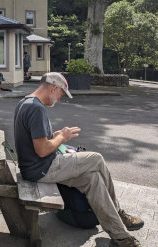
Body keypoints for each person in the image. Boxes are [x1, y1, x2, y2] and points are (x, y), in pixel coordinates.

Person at [13, 73, 144, 247]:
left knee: (93, 179)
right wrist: (63, 138)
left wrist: (56, 135)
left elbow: (36, 141)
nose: (59, 99)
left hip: (36, 167)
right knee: (96, 159)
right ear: (53, 88)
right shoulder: (36, 108)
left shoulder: (25, 102)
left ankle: (120, 235)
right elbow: (43, 150)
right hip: (43, 168)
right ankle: (118, 212)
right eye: (60, 94)